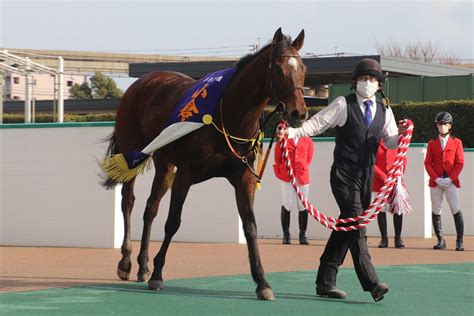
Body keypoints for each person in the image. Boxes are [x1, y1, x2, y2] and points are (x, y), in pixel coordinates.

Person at [282, 58, 407, 302]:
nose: (368, 83)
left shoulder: (385, 110)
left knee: (345, 227)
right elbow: (318, 124)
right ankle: (371, 282)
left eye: (372, 80)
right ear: (355, 82)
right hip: (343, 173)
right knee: (357, 224)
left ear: (379, 85)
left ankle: (325, 281)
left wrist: (401, 133)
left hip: (366, 175)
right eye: (363, 79)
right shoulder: (343, 104)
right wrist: (294, 132)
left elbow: (389, 141)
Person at [424, 112, 464, 251]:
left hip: (451, 181)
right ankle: (440, 240)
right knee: (436, 209)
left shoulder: (457, 142)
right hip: (436, 182)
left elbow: (459, 163)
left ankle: (459, 241)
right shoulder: (432, 144)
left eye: (445, 124)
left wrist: (450, 178)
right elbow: (428, 163)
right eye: (439, 124)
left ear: (450, 126)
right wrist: (436, 178)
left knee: (455, 208)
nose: (442, 126)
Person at [273, 136, 314, 245]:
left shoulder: (308, 140)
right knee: (287, 204)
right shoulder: (283, 139)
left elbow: (309, 158)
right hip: (287, 175)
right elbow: (277, 158)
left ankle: (302, 235)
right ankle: (286, 235)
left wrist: (299, 168)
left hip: (302, 176)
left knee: (302, 205)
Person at [373, 139, 406, 249]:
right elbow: (372, 162)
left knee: (398, 208)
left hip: (395, 181)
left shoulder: (397, 141)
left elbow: (403, 159)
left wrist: (397, 176)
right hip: (379, 182)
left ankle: (398, 238)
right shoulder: (374, 141)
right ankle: (384, 238)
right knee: (381, 210)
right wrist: (384, 177)